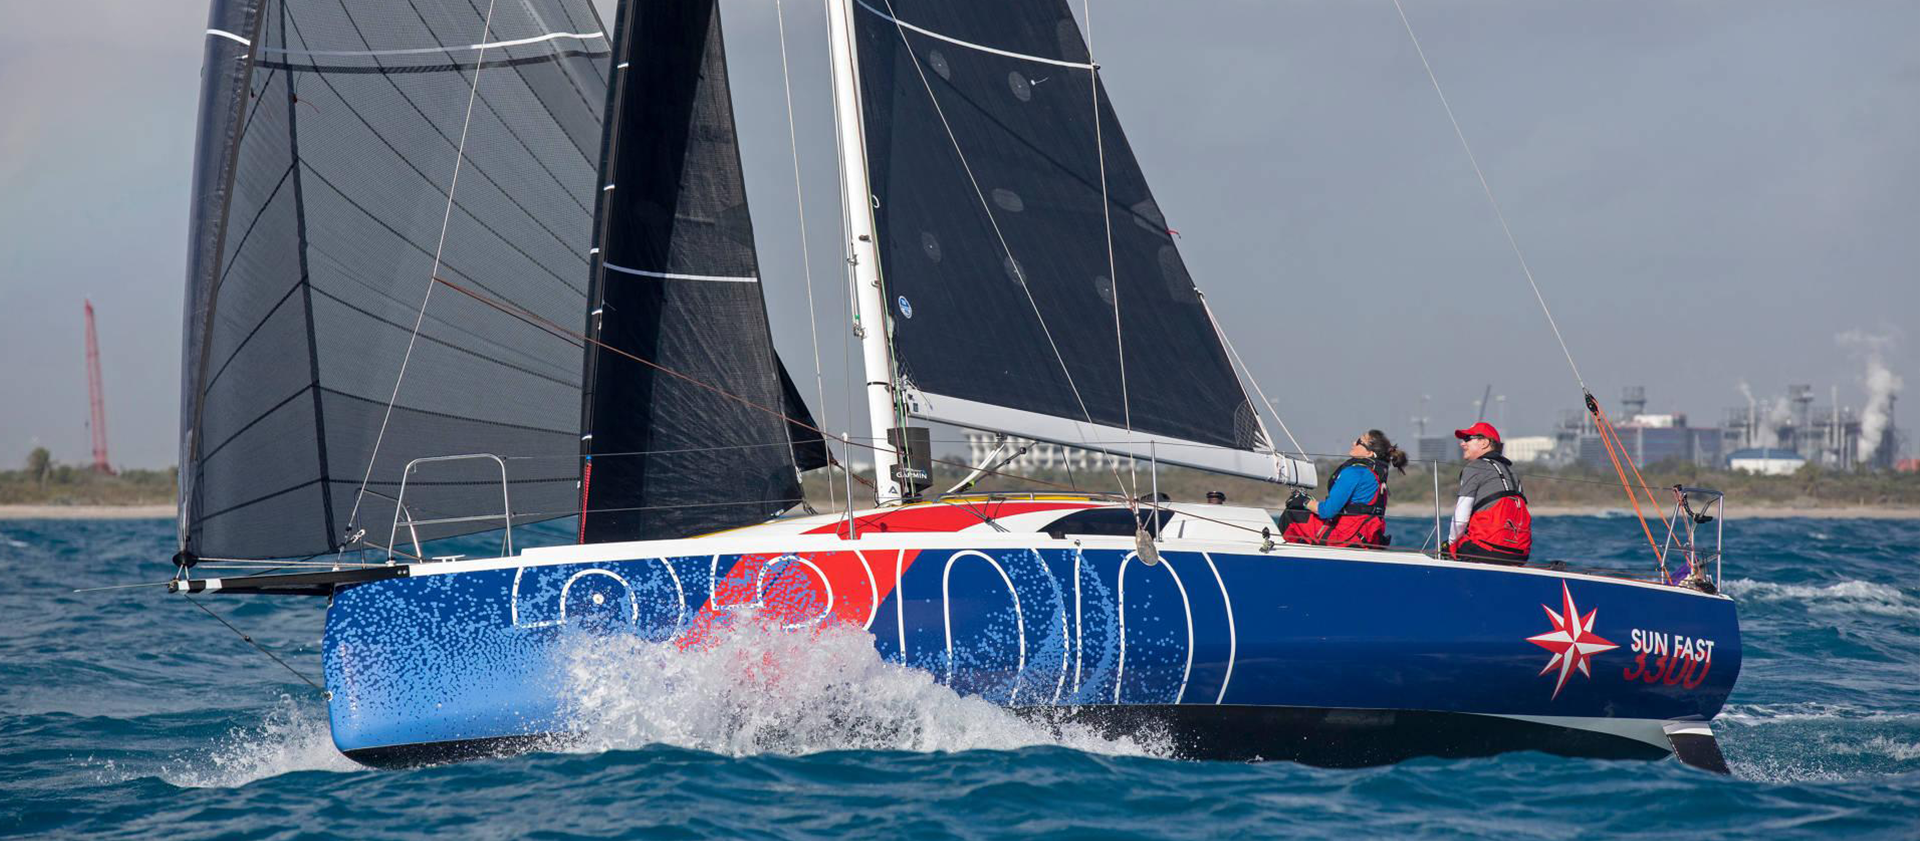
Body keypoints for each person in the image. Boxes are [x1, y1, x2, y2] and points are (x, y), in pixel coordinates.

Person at [1280, 430, 1407, 548]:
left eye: (1359, 442)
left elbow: (1327, 511)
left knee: (1291, 515)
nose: (1353, 443)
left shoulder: (1355, 472)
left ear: (1369, 453)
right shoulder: (1377, 475)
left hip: (1346, 538)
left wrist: (1303, 501)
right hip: (1369, 539)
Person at [1444, 422, 1532, 564]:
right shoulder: (1512, 471)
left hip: (1485, 550)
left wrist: (1450, 544)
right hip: (1519, 555)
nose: (1462, 444)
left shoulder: (1475, 467)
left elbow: (1461, 517)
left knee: (1447, 548)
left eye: (1467, 439)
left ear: (1484, 443)